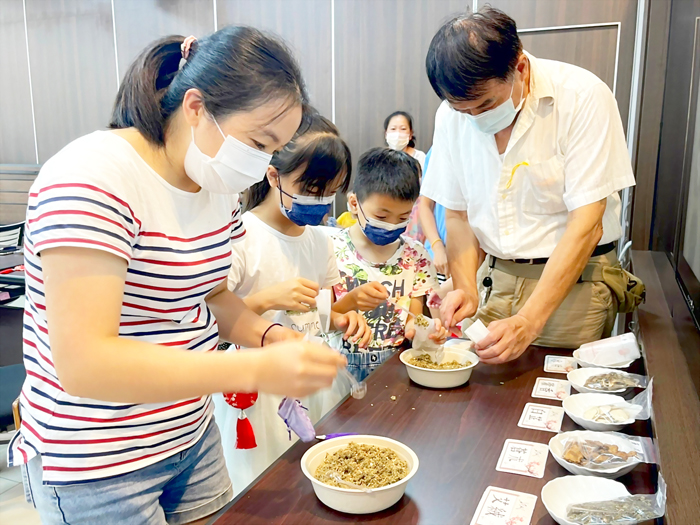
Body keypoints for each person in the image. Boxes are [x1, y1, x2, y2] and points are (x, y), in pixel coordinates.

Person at [10, 28, 347, 525]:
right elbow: (85, 363)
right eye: (258, 143)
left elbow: (213, 296)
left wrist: (270, 337)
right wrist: (252, 369)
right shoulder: (90, 177)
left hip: (189, 433)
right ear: (195, 107)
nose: (259, 166)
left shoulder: (214, 184)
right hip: (98, 462)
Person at [423, 8, 645, 365]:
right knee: (485, 401)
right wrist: (465, 287)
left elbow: (587, 223)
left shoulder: (582, 96)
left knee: (555, 397)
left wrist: (529, 320)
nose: (476, 119)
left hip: (574, 284)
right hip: (494, 278)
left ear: (520, 69)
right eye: (464, 111)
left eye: (486, 104)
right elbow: (458, 214)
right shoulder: (451, 116)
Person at [214, 111, 369, 493]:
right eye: (310, 189)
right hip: (254, 393)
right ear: (272, 176)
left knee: (308, 482)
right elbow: (210, 323)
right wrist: (267, 299)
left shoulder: (321, 241)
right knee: (262, 490)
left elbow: (318, 318)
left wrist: (346, 318)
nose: (319, 202)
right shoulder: (241, 237)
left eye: (329, 191)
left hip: (307, 386)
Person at [331, 148, 448, 381]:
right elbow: (323, 318)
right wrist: (350, 304)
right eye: (382, 217)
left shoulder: (415, 255)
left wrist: (424, 331)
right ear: (354, 203)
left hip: (395, 367)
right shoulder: (329, 249)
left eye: (403, 218)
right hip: (339, 368)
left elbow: (413, 319)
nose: (392, 225)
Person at [384, 111, 428, 243]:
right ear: (386, 133)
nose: (398, 133)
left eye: (403, 129)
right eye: (393, 129)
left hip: (414, 212)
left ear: (410, 134)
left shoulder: (420, 158)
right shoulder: (381, 157)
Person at [417, 148, 450, 281]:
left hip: (475, 258)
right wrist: (438, 248)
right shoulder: (438, 150)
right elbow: (425, 205)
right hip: (437, 257)